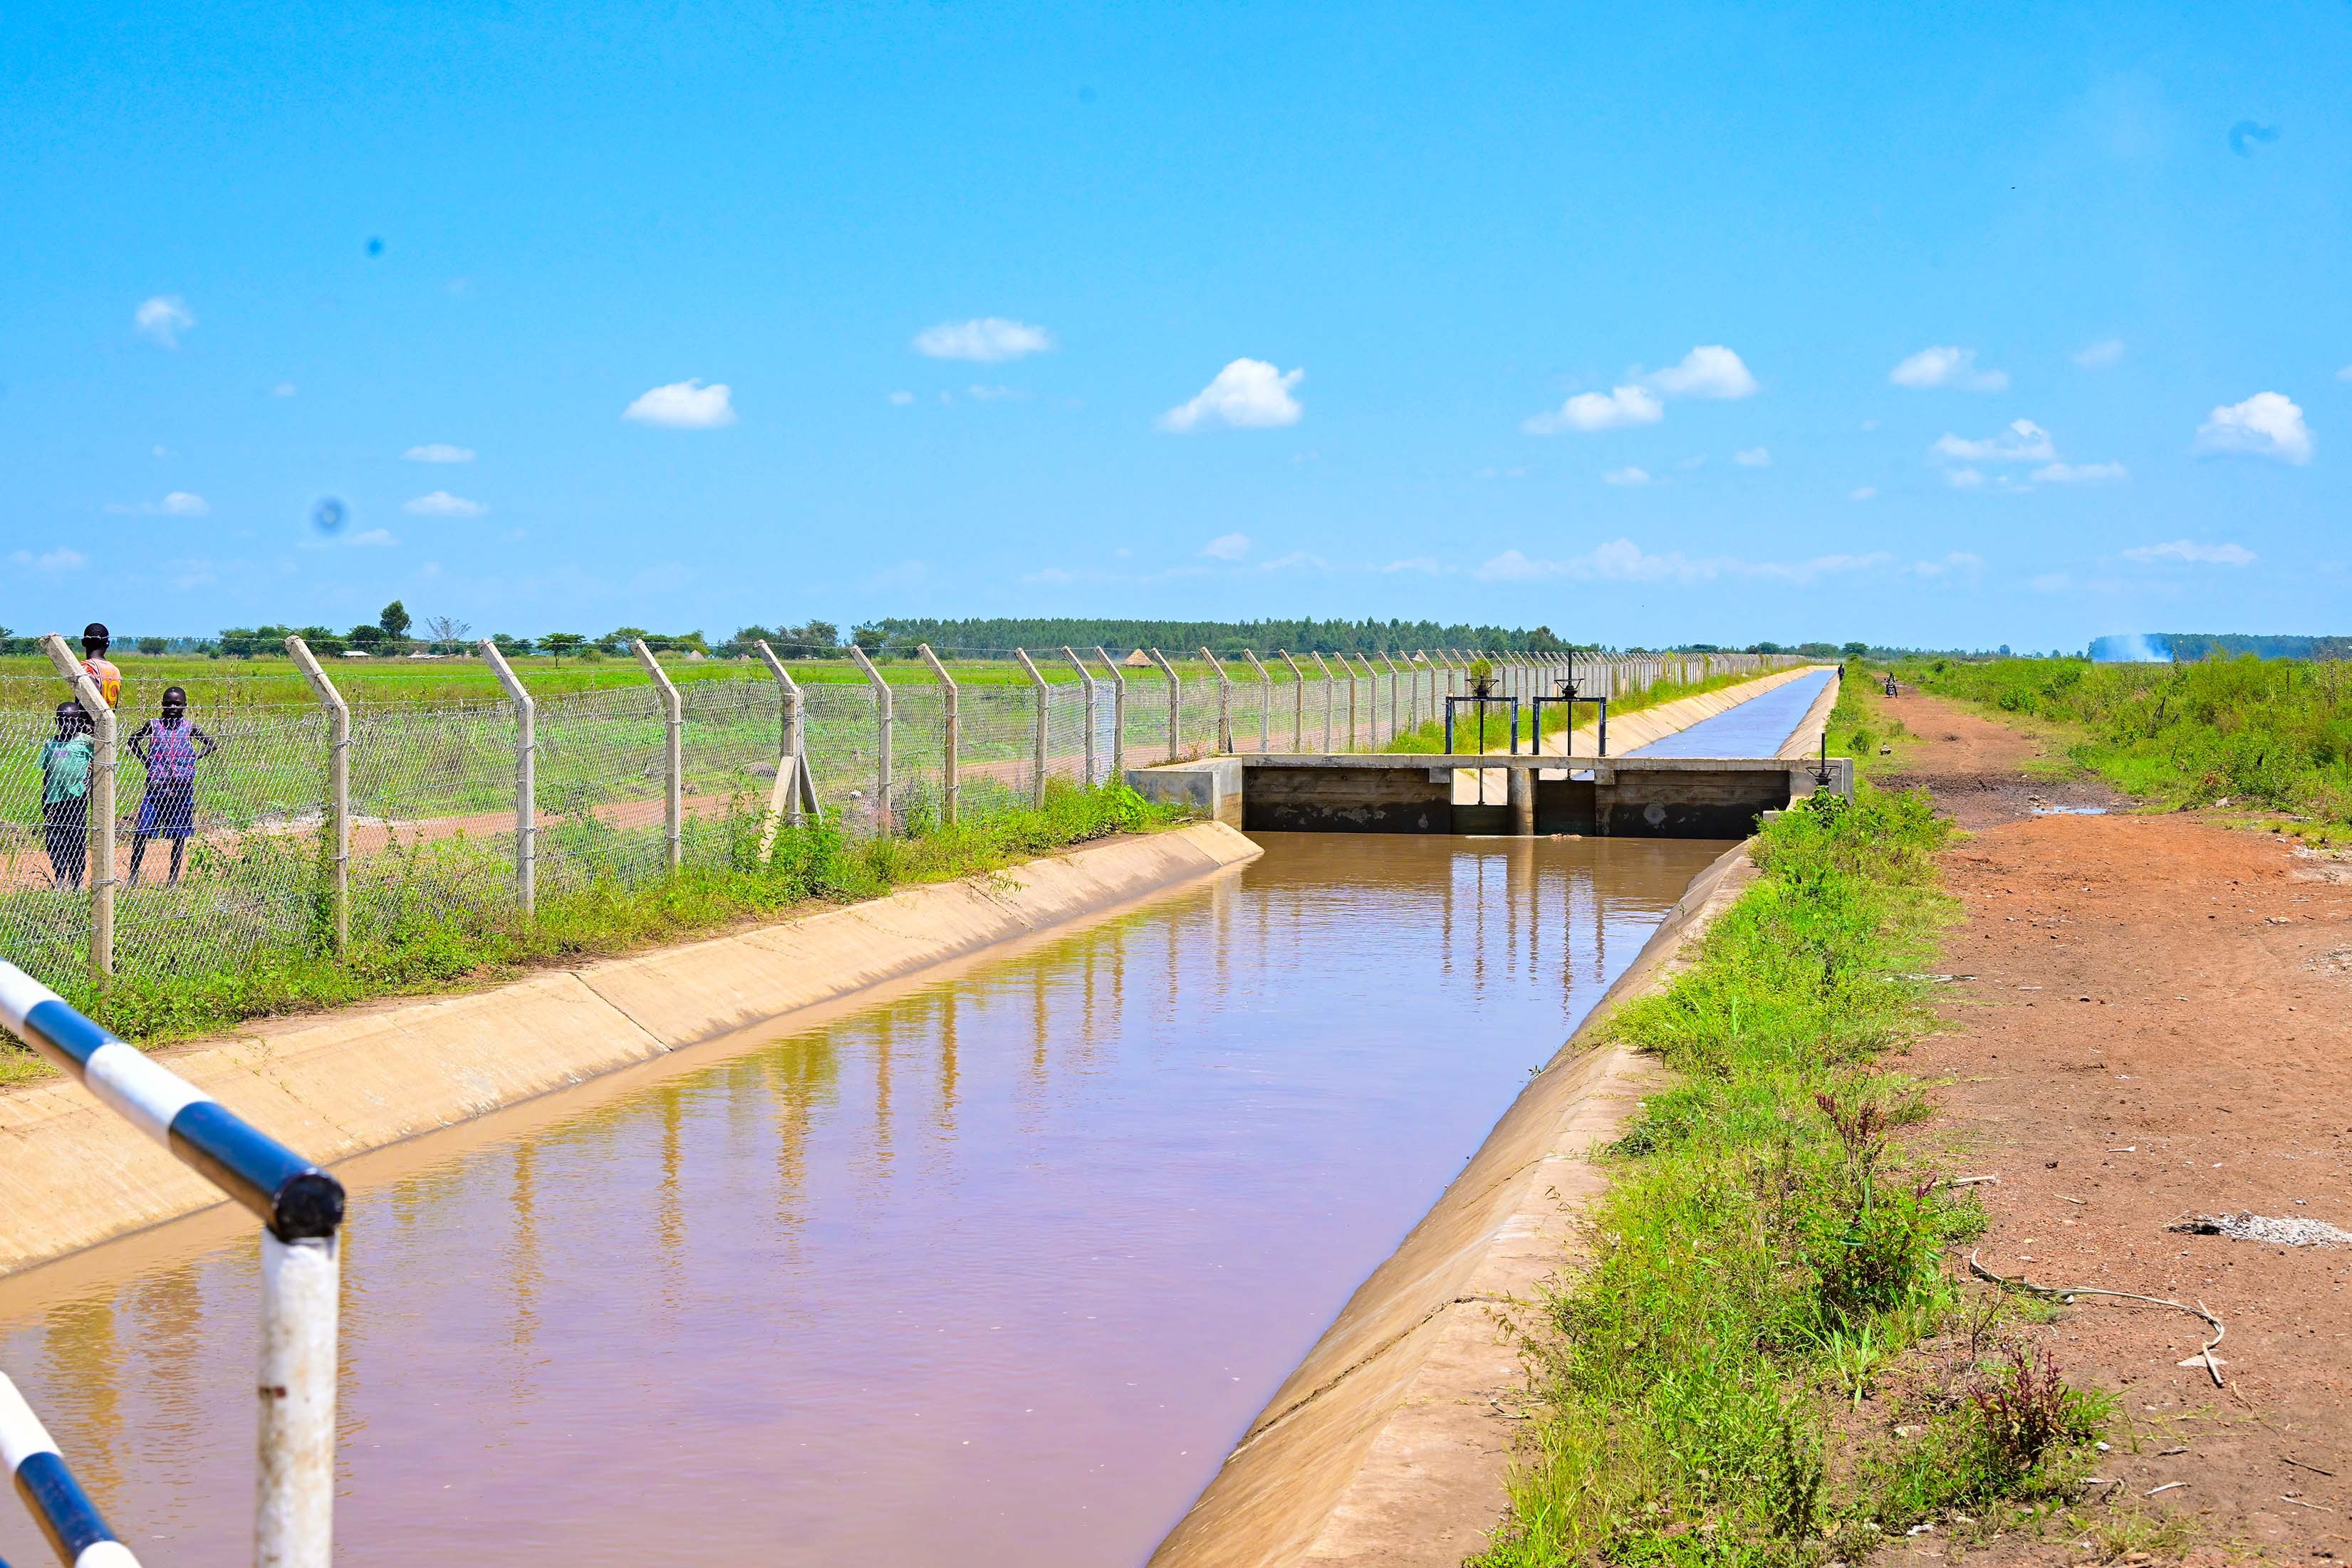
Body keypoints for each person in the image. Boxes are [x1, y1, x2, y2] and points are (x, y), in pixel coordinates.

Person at [127, 686, 215, 888]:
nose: (173, 707)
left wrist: (193, 758)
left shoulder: (189, 728)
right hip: (156, 789)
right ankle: (133, 876)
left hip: (181, 791)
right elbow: (133, 741)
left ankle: (173, 879)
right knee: (142, 831)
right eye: (168, 703)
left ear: (185, 705)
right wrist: (148, 762)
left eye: (177, 704)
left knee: (178, 835)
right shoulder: (154, 726)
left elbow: (211, 745)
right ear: (162, 704)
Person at [38, 702, 93, 890]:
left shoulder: (86, 742)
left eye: (72, 721)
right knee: (55, 839)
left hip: (77, 798)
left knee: (76, 838)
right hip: (54, 799)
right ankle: (60, 876)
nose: (68, 725)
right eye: (63, 721)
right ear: (57, 722)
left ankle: (77, 879)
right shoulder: (50, 744)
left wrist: (89, 780)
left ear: (80, 722)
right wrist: (44, 798)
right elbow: (47, 773)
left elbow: (102, 762)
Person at [80, 622, 122, 709]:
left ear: (83, 642)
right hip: (110, 716)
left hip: (89, 717)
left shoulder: (85, 667)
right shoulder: (116, 670)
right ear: (108, 644)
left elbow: (94, 692)